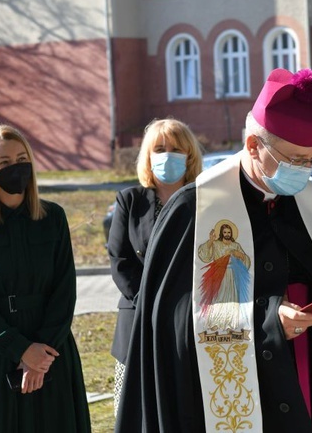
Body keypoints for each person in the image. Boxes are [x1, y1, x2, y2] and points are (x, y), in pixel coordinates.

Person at [116, 68, 312, 432]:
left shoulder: (311, 203)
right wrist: (266, 319)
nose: (304, 171)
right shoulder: (194, 209)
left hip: (306, 384)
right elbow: (170, 321)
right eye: (293, 159)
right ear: (253, 146)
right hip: (233, 394)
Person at [0, 125, 91, 432]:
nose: (15, 168)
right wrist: (20, 350)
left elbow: (64, 291)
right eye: (4, 163)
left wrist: (38, 357)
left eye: (21, 158)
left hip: (50, 351)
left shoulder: (53, 218)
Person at [107, 118, 203, 413]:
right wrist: (151, 304)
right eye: (159, 148)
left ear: (189, 155)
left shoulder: (205, 199)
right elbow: (120, 260)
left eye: (176, 148)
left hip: (188, 323)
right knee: (135, 412)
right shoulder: (130, 200)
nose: (167, 154)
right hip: (138, 319)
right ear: (148, 156)